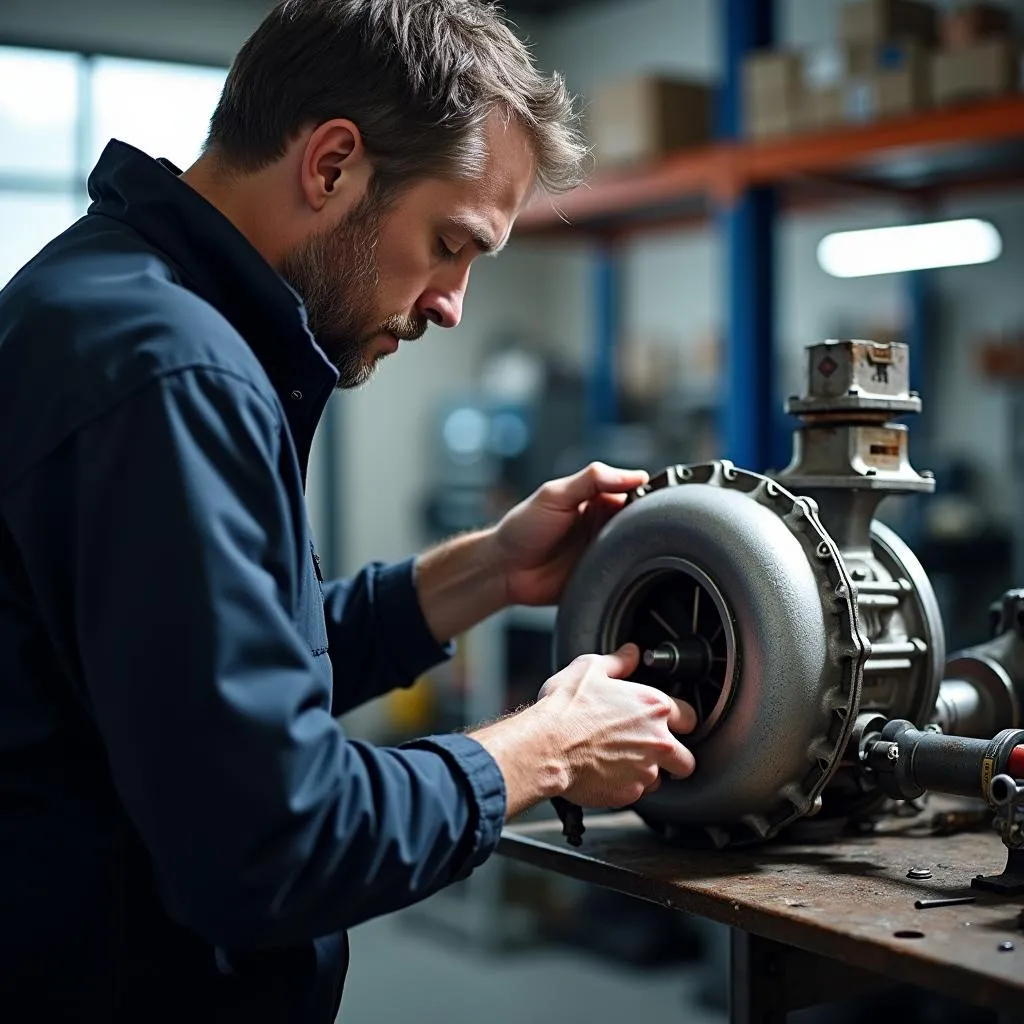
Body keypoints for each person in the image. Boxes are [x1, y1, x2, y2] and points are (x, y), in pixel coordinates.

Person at [0, 1, 697, 1020]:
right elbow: (270, 842)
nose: (452, 302)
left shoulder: (110, 306)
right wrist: (546, 746)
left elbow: (213, 676)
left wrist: (492, 568)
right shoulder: (177, 374)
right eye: (449, 244)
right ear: (331, 165)